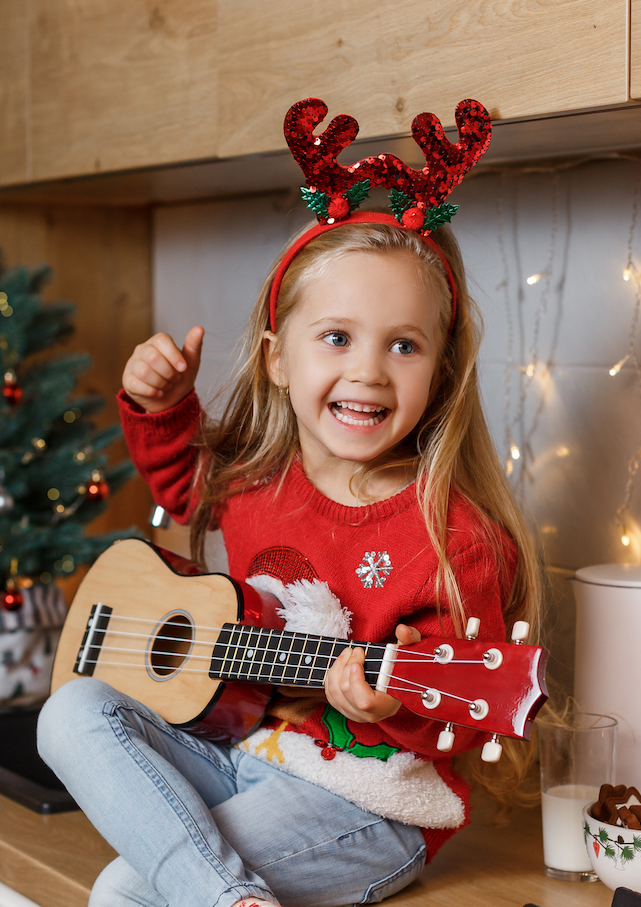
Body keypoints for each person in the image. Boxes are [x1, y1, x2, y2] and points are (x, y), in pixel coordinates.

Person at [38, 99, 544, 907]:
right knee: (69, 710)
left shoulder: (455, 537)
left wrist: (389, 704)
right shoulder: (260, 478)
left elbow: (458, 716)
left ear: (441, 374)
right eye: (337, 337)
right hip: (242, 750)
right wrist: (161, 403)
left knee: (129, 891)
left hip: (368, 806)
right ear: (278, 359)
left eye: (403, 345)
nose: (369, 371)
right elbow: (182, 482)